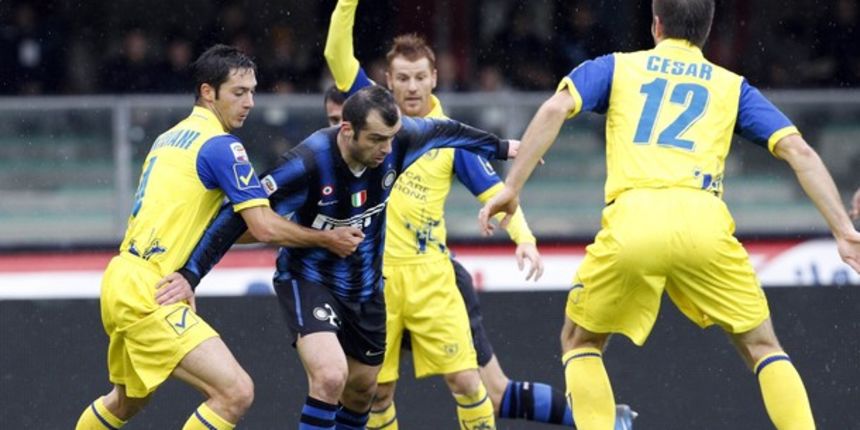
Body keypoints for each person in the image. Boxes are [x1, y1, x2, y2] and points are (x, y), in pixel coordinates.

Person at [478, 0, 860, 428]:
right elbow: (798, 151)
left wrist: (512, 187)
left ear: (656, 25)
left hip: (634, 221)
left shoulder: (617, 67)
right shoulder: (731, 86)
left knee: (579, 340)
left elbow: (554, 109)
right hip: (704, 224)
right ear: (706, 31)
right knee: (763, 347)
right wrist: (843, 230)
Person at [324, 2, 636, 429]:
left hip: (432, 278)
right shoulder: (373, 115)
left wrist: (525, 238)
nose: (412, 87)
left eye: (420, 77)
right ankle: (600, 419)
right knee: (377, 391)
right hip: (375, 280)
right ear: (388, 81)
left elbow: (498, 195)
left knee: (472, 385)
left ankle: (599, 419)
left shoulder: (450, 138)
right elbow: (336, 53)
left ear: (435, 78)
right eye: (403, 78)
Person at [158, 85, 517, 430]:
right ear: (347, 130)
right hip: (309, 278)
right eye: (376, 139)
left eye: (390, 138)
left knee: (363, 391)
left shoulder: (399, 140)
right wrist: (191, 274)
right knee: (331, 376)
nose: (386, 149)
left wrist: (500, 148)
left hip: (366, 288)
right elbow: (238, 215)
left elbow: (447, 130)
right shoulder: (307, 163)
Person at [75, 45, 360, 430]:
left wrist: (188, 272)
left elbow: (217, 227)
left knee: (127, 400)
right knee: (235, 392)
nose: (249, 103)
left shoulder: (169, 138)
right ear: (208, 92)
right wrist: (325, 238)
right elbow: (262, 226)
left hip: (123, 278)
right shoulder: (223, 146)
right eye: (238, 92)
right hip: (150, 291)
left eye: (252, 92)